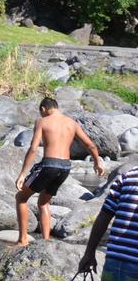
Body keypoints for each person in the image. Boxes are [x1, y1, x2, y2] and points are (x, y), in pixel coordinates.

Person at [14, 96, 106, 246]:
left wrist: (23, 174)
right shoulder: (72, 123)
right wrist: (97, 162)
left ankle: (23, 240)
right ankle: (46, 242)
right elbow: (91, 145)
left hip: (49, 165)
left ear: (43, 109)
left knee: (21, 197)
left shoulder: (42, 121)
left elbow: (33, 149)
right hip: (65, 167)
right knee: (43, 203)